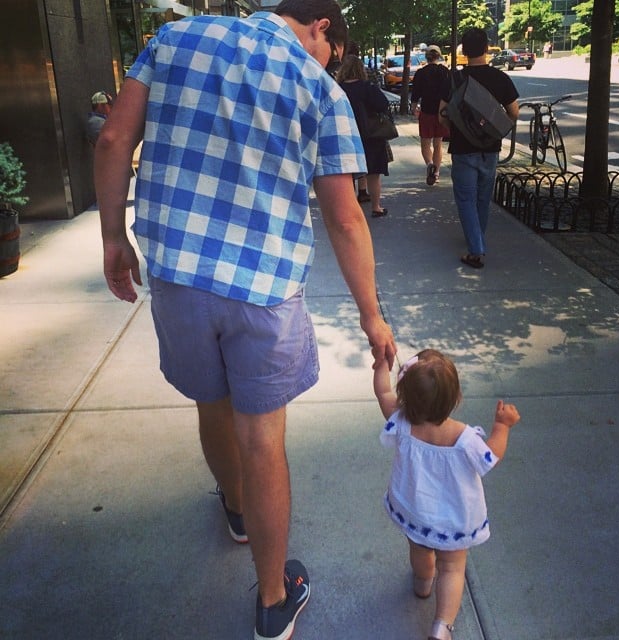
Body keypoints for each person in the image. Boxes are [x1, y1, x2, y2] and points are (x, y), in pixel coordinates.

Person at [93, 1, 397, 638]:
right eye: (331, 49)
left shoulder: (174, 38)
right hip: (264, 289)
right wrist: (372, 317)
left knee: (210, 404)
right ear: (321, 27)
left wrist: (114, 238)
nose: (329, 61)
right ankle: (272, 599)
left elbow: (114, 138)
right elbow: (345, 218)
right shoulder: (319, 88)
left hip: (178, 276)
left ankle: (235, 509)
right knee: (264, 440)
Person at [373, 349, 520, 640]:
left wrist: (381, 364)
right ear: (456, 399)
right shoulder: (465, 439)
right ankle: (442, 627)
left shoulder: (401, 420)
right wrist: (502, 427)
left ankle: (422, 584)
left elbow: (382, 392)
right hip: (454, 518)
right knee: (452, 568)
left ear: (406, 396)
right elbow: (491, 457)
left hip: (415, 510)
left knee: (420, 549)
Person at [439, 28, 519, 269]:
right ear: (486, 48)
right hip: (491, 148)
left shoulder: (454, 79)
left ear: (463, 50)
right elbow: (513, 112)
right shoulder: (501, 78)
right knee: (483, 198)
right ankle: (477, 238)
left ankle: (476, 250)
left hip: (463, 148)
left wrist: (461, 128)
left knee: (465, 198)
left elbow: (443, 114)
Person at [336, 54, 391, 218]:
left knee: (348, 174)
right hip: (371, 135)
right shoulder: (368, 87)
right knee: (374, 173)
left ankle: (350, 209)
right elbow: (383, 104)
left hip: (347, 135)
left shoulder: (337, 89)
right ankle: (376, 206)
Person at [410, 45, 450, 186]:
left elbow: (415, 94)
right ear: (438, 56)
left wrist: (413, 108)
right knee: (438, 144)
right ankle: (437, 172)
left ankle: (429, 165)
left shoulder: (421, 73)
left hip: (426, 112)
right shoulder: (445, 72)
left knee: (425, 143)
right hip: (441, 113)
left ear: (426, 57)